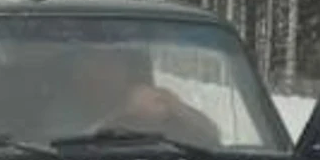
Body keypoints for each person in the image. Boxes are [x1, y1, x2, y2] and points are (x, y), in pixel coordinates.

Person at [49, 46, 221, 146]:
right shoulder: (64, 109)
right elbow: (64, 151)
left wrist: (179, 109)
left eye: (114, 65)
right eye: (97, 66)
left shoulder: (144, 99)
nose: (107, 74)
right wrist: (121, 115)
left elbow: (213, 139)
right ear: (80, 75)